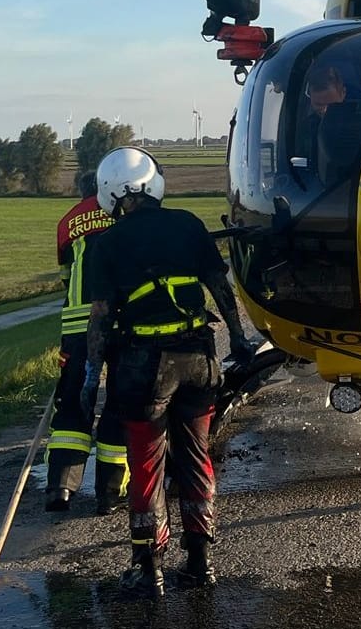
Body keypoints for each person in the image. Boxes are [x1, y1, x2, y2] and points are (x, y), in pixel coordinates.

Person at [82, 146, 260, 596]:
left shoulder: (108, 243)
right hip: (199, 360)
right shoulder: (187, 224)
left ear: (111, 194)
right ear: (153, 183)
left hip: (145, 367)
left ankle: (149, 570)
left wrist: (90, 377)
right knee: (196, 457)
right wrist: (238, 340)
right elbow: (220, 287)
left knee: (146, 464)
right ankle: (200, 564)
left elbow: (100, 316)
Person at [47, 170, 128, 513]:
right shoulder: (124, 214)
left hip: (77, 326)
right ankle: (110, 490)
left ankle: (60, 487)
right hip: (120, 321)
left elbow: (66, 278)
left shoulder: (68, 222)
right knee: (120, 402)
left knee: (72, 403)